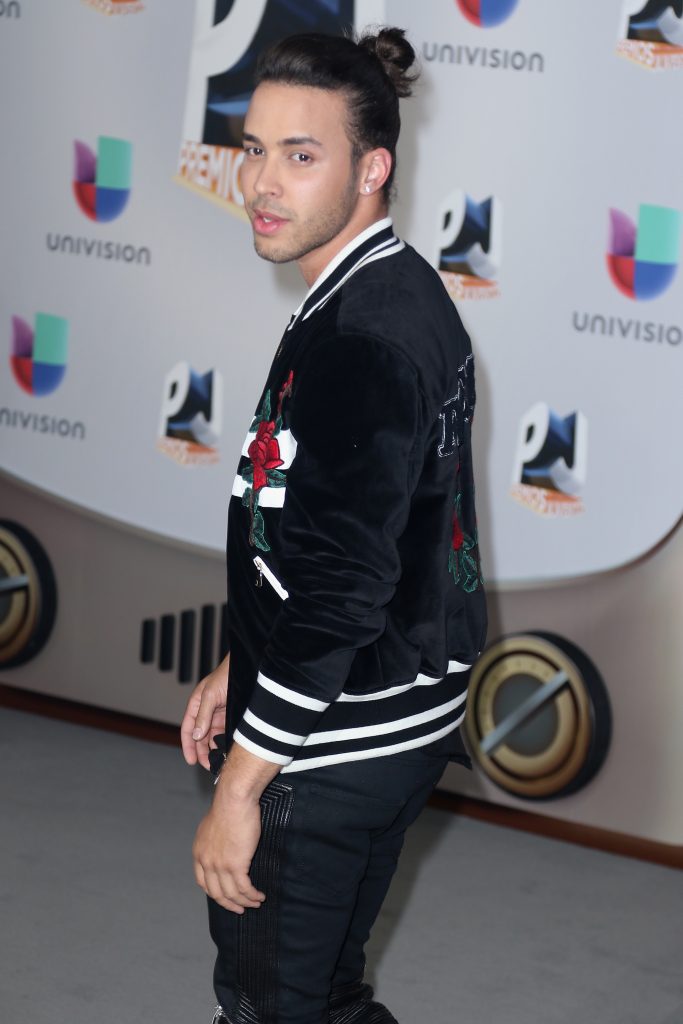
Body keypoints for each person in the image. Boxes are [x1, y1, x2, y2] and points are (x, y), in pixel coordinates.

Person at [180, 26, 487, 1024]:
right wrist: (246, 654)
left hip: (333, 743)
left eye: (300, 155)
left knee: (267, 1006)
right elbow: (357, 532)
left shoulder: (362, 334)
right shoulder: (387, 286)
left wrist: (240, 790)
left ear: (371, 168)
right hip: (390, 716)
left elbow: (341, 589)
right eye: (253, 149)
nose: (261, 183)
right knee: (327, 997)